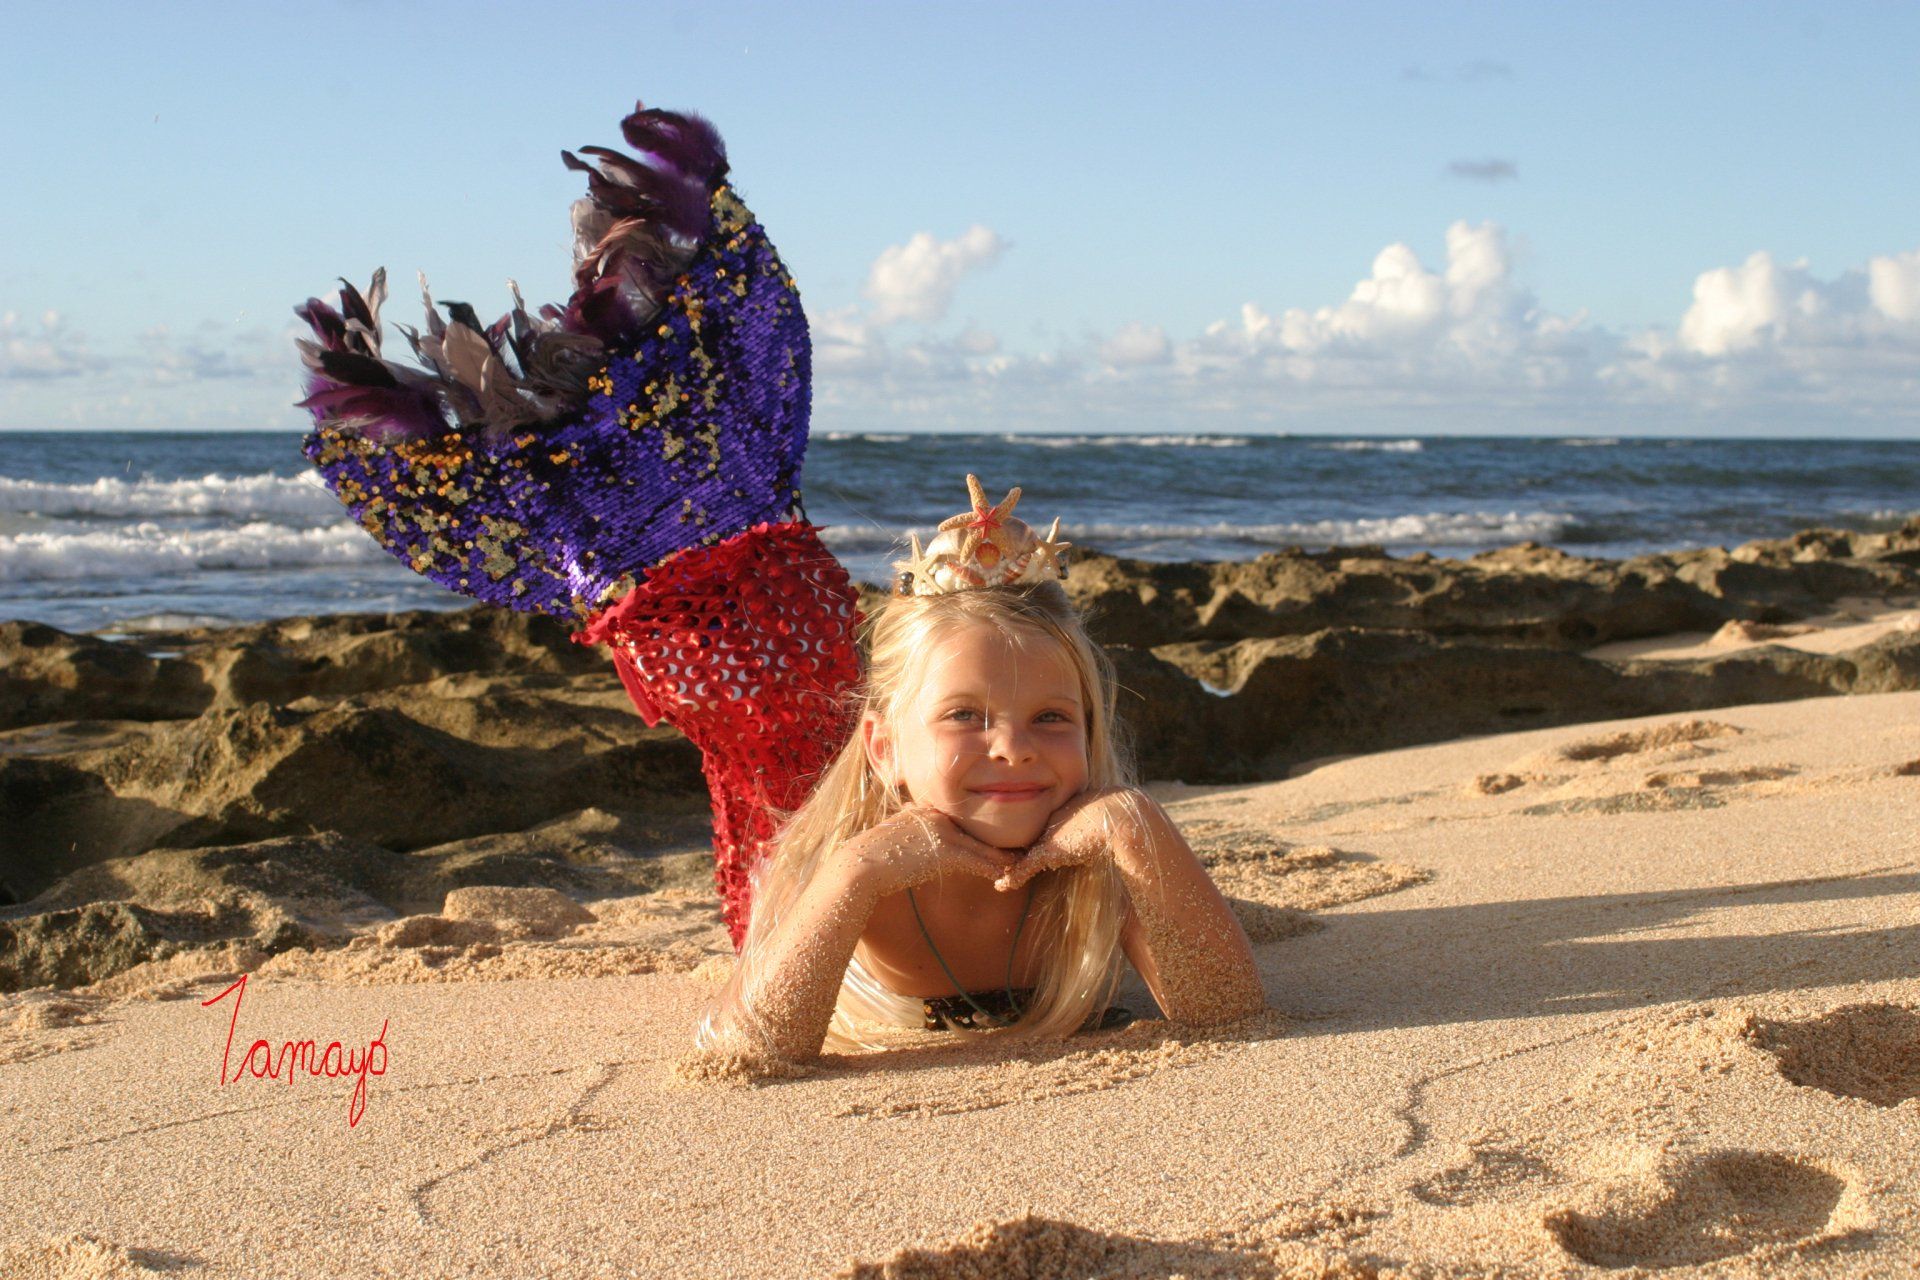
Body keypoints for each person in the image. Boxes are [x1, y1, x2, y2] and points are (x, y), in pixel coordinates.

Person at [694, 475, 1267, 1063]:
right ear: (885, 748)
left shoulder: (1106, 864)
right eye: (965, 714)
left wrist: (1134, 823)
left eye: (1050, 717)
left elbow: (1228, 1012)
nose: (1014, 749)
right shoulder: (840, 860)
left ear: (1090, 729)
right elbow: (744, 1052)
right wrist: (856, 873)